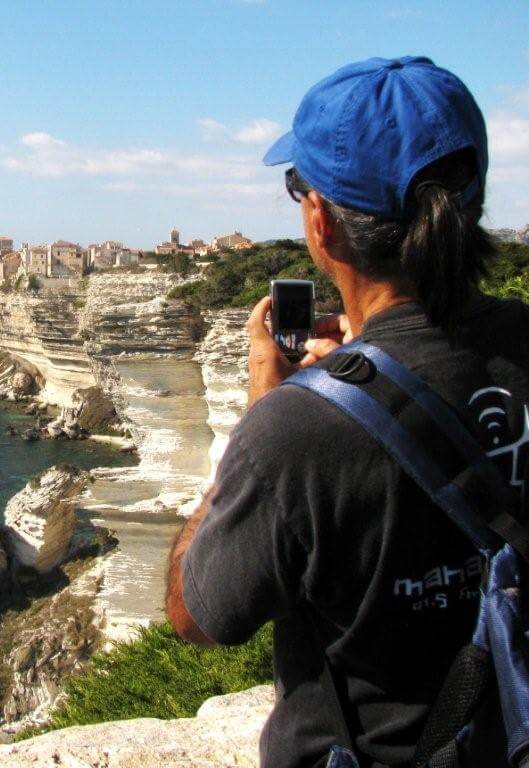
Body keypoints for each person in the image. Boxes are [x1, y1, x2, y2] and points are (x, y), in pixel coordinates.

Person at [166, 56, 529, 767]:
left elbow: (197, 615)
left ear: (319, 220)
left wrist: (263, 406)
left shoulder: (297, 430)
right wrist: (373, 368)